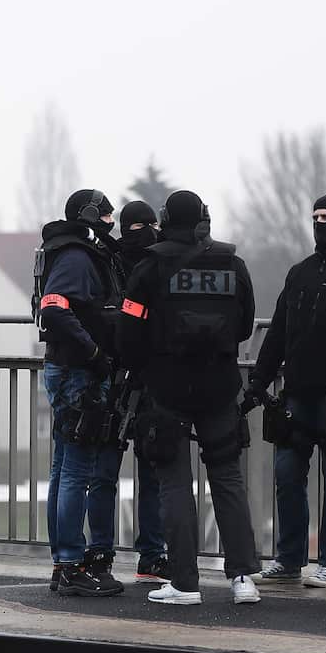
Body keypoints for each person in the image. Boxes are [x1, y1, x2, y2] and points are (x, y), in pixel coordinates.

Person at [117, 190, 262, 606]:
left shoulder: (149, 267)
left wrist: (145, 366)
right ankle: (242, 579)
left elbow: (129, 332)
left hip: (166, 388)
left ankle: (184, 583)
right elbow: (244, 323)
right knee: (228, 479)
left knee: (174, 483)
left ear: (164, 219)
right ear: (202, 219)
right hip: (220, 385)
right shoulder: (232, 264)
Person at [245, 194, 326, 589]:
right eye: (314, 217)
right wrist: (258, 380)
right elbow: (277, 331)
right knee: (287, 475)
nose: (319, 223)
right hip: (295, 395)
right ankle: (289, 558)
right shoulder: (300, 272)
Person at [36, 188, 125, 597]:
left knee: (63, 470)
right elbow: (54, 307)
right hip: (78, 374)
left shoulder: (69, 251)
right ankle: (71, 564)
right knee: (75, 471)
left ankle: (63, 563)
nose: (112, 223)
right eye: (107, 216)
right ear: (92, 216)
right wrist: (92, 352)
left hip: (69, 369)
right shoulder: (75, 256)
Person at [111, 200, 170, 583]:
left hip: (131, 374)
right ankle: (148, 554)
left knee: (145, 470)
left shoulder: (119, 259)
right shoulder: (154, 262)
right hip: (136, 376)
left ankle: (147, 552)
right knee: (144, 471)